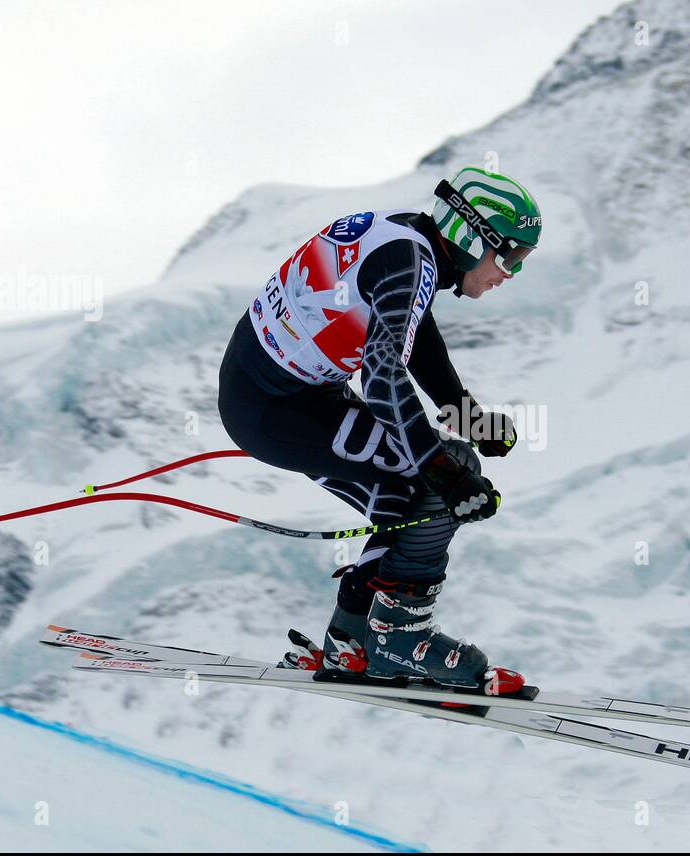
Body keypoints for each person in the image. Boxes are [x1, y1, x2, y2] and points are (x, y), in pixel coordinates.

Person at [216, 166, 541, 693]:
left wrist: (465, 414)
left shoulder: (405, 241)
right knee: (440, 479)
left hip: (279, 396)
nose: (509, 273)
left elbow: (412, 333)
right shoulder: (410, 260)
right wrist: (442, 470)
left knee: (406, 496)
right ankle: (396, 640)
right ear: (469, 234)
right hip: (278, 407)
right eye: (510, 257)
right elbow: (384, 372)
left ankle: (351, 643)